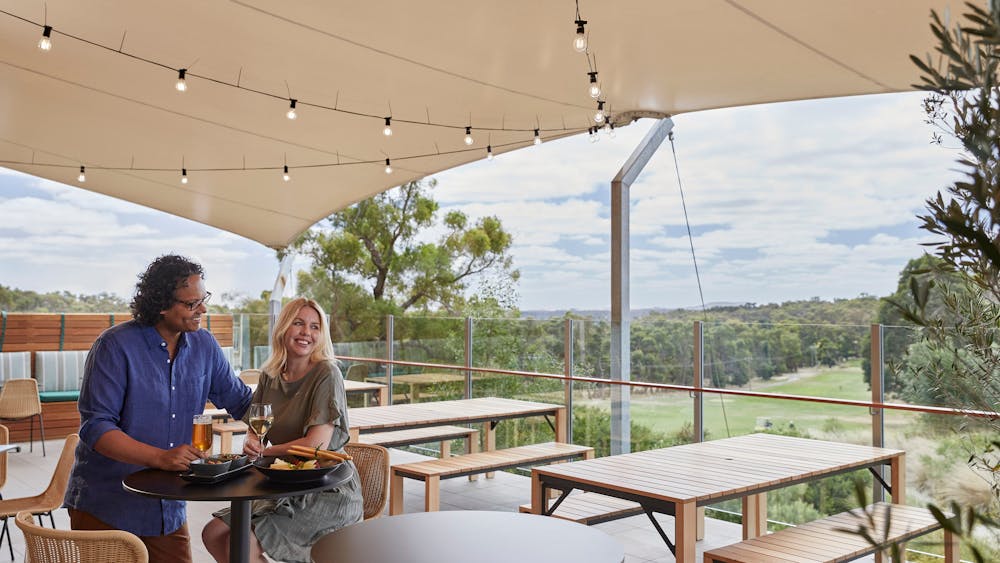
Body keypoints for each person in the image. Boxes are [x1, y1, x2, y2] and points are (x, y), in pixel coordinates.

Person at [64, 254, 253, 563]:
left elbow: (242, 402)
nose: (202, 309)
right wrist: (161, 457)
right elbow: (96, 427)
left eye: (203, 299)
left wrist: (302, 410)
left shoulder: (204, 345)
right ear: (161, 305)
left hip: (167, 506)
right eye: (192, 304)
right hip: (107, 504)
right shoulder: (115, 346)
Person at [202, 297, 363, 563]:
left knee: (241, 543)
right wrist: (253, 442)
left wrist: (266, 451)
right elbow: (257, 425)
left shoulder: (326, 372)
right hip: (281, 484)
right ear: (284, 328)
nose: (306, 333)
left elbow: (315, 446)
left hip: (326, 489)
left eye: (314, 327)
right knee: (213, 533)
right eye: (298, 323)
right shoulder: (270, 374)